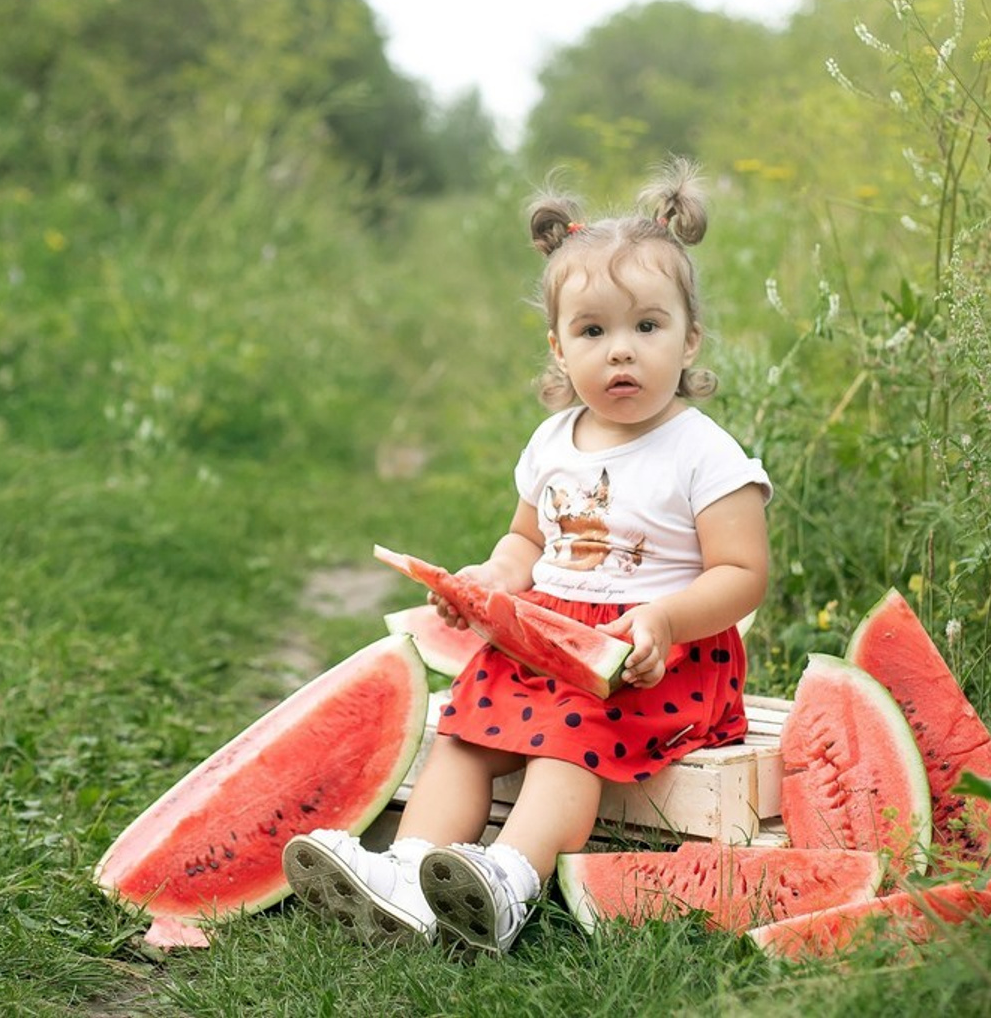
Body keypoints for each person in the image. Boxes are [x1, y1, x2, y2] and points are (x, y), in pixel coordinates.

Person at [282, 159, 771, 954]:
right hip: (541, 636)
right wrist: (489, 581)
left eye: (647, 327)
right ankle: (408, 871)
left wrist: (663, 621)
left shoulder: (704, 453)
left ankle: (511, 881)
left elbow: (742, 574)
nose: (621, 353)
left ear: (689, 340)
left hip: (656, 658)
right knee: (466, 730)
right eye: (593, 332)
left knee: (569, 736)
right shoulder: (552, 442)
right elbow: (526, 540)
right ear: (558, 348)